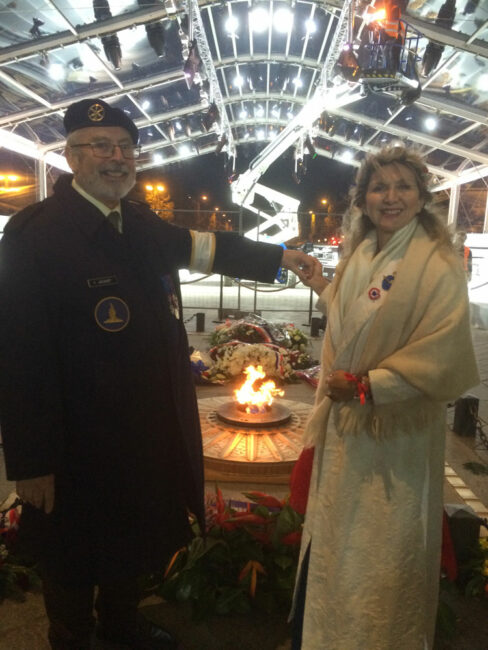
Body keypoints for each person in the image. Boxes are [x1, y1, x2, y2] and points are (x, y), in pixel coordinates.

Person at [0, 98, 315, 650]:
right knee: (71, 551)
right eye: (100, 146)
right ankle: (70, 638)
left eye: (124, 146)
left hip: (139, 429)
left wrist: (280, 258)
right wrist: (31, 461)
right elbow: (18, 356)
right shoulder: (35, 237)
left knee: (130, 535)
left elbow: (207, 248)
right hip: (73, 438)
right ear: (72, 156)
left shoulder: (136, 222)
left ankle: (122, 626)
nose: (116, 158)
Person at [292, 146, 479, 649]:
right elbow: (359, 324)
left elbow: (442, 352)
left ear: (422, 197)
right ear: (363, 199)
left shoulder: (437, 264)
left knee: (378, 552)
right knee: (335, 541)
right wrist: (321, 286)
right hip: (348, 431)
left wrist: (368, 385)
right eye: (379, 187)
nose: (390, 197)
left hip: (393, 437)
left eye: (403, 186)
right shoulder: (363, 253)